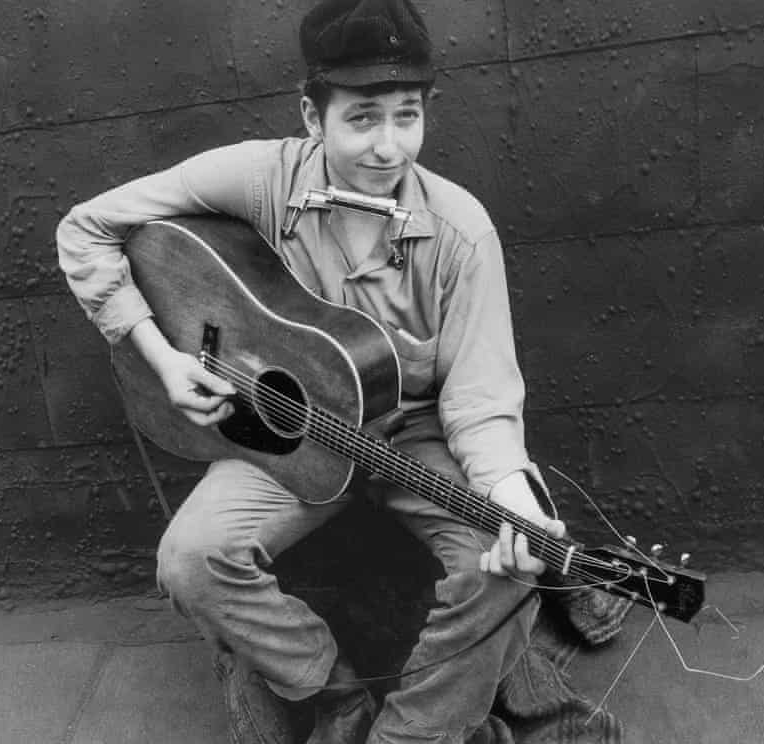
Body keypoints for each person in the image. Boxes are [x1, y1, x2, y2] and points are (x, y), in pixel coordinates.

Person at [55, 0, 572, 741]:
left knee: (509, 565)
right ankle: (334, 693)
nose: (388, 147)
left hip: (411, 435)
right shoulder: (260, 179)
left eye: (407, 116)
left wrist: (512, 495)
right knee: (190, 561)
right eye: (362, 119)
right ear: (312, 115)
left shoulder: (462, 233)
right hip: (289, 437)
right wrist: (163, 359)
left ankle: (411, 733)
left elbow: (482, 400)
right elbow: (87, 228)